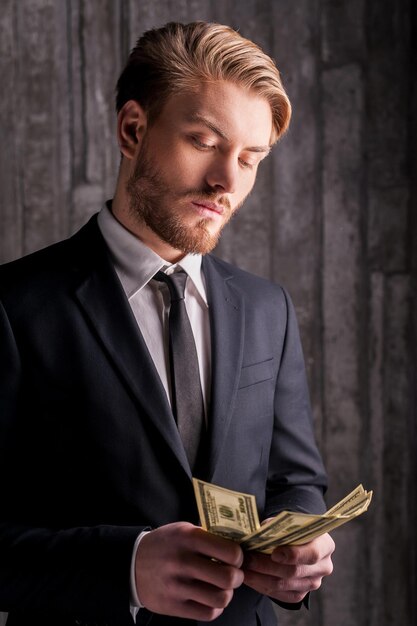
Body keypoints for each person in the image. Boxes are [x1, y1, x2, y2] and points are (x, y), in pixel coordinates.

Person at [0, 21, 335, 626]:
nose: (227, 183)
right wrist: (124, 567)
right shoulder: (13, 306)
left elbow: (296, 483)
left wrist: (301, 554)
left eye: (250, 159)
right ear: (133, 129)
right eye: (205, 141)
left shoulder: (268, 309)